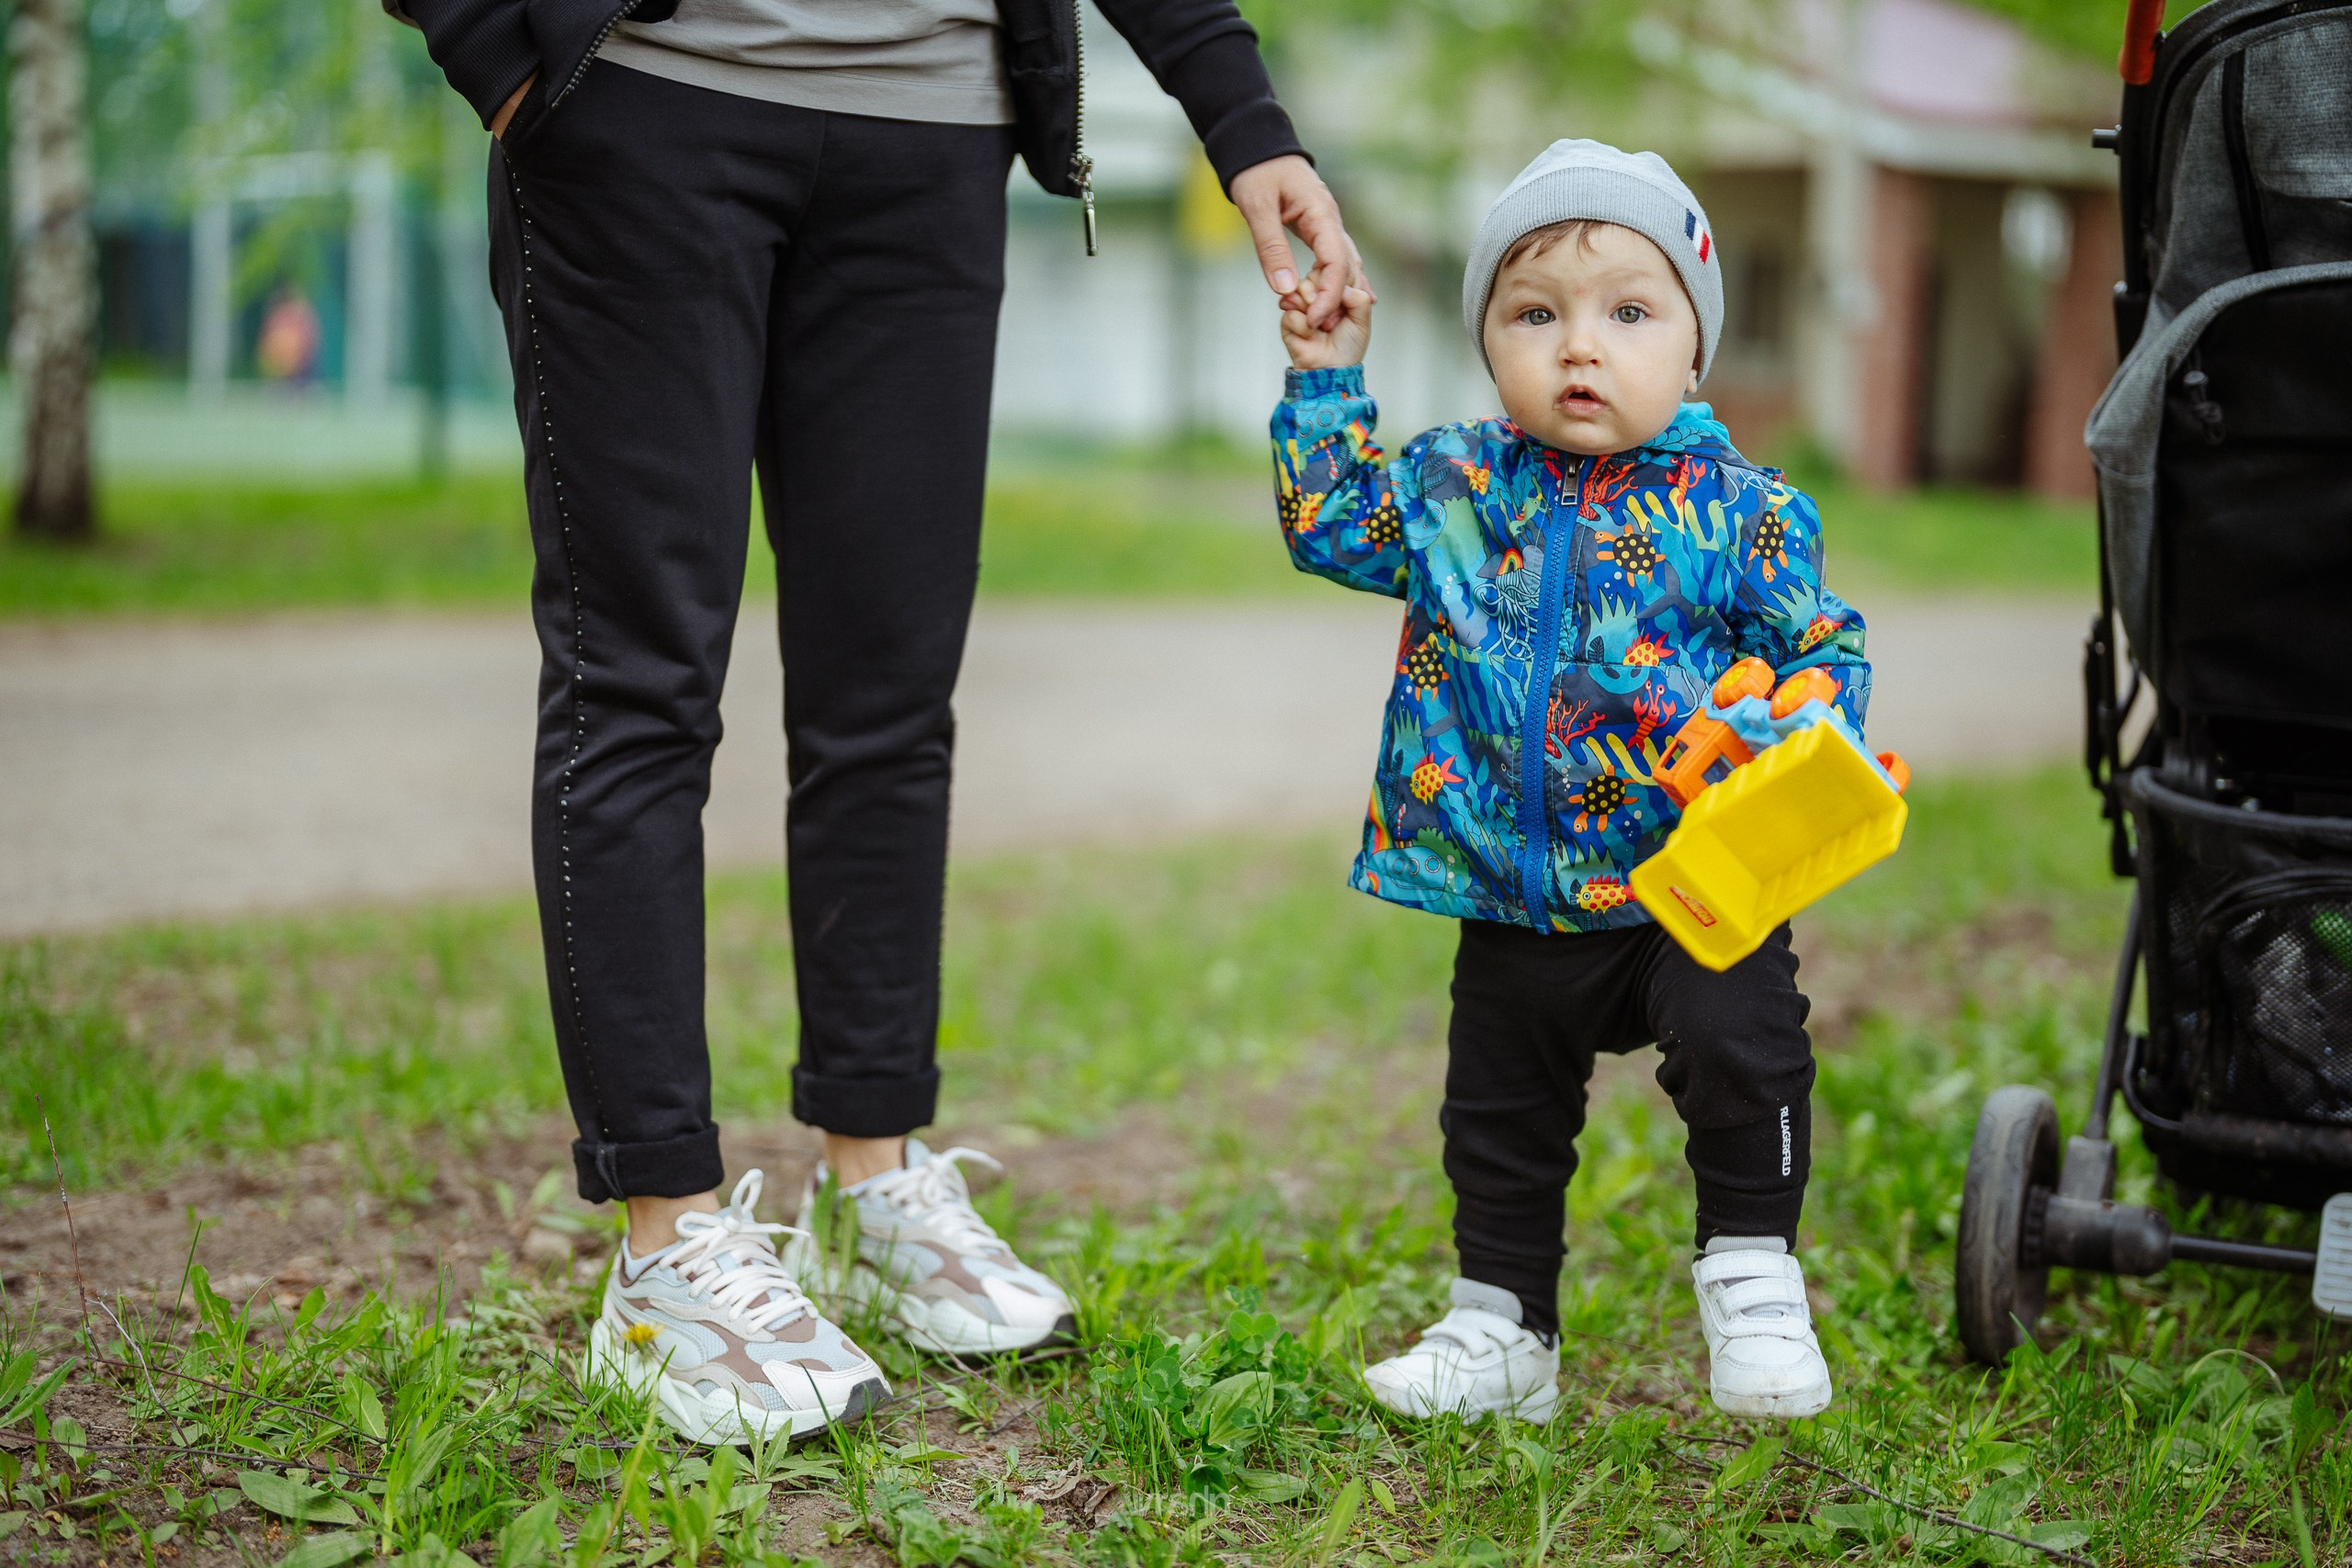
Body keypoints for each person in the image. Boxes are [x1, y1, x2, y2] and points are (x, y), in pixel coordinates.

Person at [386, 0, 1363, 1444]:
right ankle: (666, 1246)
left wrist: (1241, 118)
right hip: (645, 102)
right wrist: (497, 51)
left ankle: (874, 1173)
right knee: (640, 689)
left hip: (932, 133)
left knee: (890, 700)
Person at [1269, 139, 1871, 1422]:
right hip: (1513, 888)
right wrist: (1328, 379)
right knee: (1497, 1109)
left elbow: (1827, 649)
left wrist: (1792, 727)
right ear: (1490, 342)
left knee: (1742, 1042)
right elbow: (1328, 526)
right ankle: (1504, 1328)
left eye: (1629, 313)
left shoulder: (1746, 512)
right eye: (1535, 315)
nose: (1579, 347)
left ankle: (1754, 1272)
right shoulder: (1453, 488)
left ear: (1695, 349)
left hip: (1690, 881)